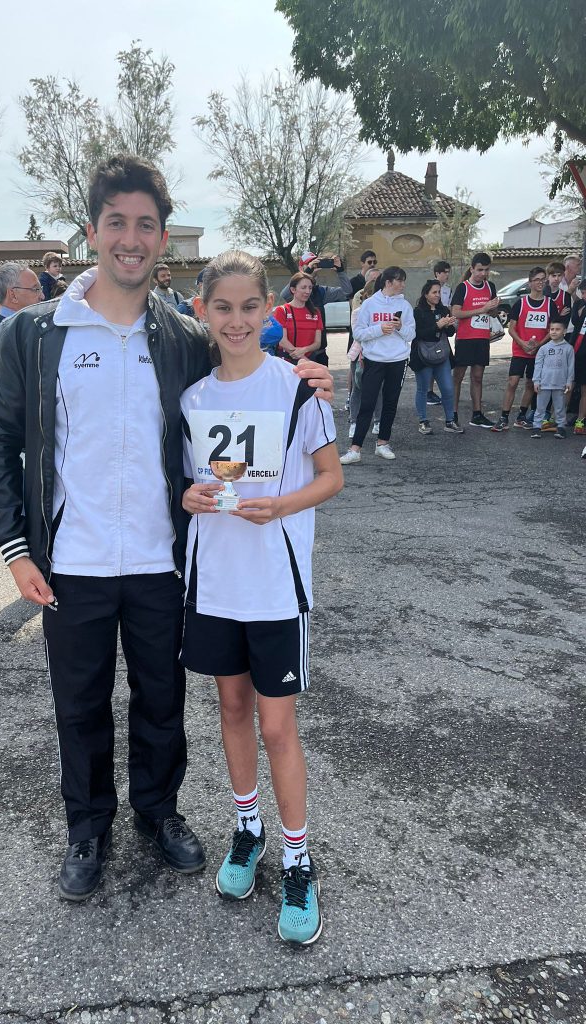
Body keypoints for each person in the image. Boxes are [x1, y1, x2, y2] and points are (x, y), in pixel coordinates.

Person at [0, 153, 334, 904]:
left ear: (163, 238)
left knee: (161, 698)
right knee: (78, 703)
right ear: (91, 232)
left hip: (160, 559)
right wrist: (14, 549)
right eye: (117, 223)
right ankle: (87, 828)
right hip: (70, 559)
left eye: (146, 225)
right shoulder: (36, 334)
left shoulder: (181, 337)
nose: (131, 239)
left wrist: (309, 375)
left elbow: (244, 363)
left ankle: (158, 811)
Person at [179, 250, 343, 946]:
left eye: (250, 306)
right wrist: (189, 497)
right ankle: (248, 830)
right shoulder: (192, 398)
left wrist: (279, 505)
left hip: (276, 586)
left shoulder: (298, 388)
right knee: (232, 709)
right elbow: (191, 484)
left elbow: (331, 477)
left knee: (278, 727)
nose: (237, 320)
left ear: (268, 309)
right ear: (202, 312)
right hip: (217, 584)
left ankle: (299, 858)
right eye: (223, 307)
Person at [339, 266, 415, 464]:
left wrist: (400, 327)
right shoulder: (370, 304)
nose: (403, 285)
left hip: (398, 360)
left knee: (390, 403)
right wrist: (379, 329)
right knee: (367, 403)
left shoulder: (405, 305)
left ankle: (383, 444)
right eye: (400, 280)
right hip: (374, 360)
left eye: (404, 281)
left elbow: (411, 335)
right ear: (388, 282)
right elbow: (358, 334)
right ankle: (355, 449)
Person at [491, 267, 557, 432]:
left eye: (543, 279)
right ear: (530, 283)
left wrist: (539, 345)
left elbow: (552, 330)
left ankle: (521, 416)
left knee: (531, 383)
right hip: (520, 350)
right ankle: (504, 417)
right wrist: (523, 343)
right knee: (512, 382)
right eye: (537, 280)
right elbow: (511, 328)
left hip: (538, 351)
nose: (541, 282)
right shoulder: (521, 303)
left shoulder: (550, 304)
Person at [450, 252, 498, 428]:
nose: (483, 273)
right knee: (458, 377)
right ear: (472, 269)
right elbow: (455, 312)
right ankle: (452, 414)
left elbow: (492, 313)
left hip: (482, 338)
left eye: (486, 270)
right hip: (465, 338)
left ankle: (477, 414)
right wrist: (481, 309)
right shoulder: (463, 287)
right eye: (479, 270)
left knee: (478, 377)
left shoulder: (490, 286)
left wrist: (493, 308)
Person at [279, 252, 353, 365]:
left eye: (315, 263)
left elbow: (347, 292)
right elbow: (285, 295)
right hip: (293, 355)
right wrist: (307, 273)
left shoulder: (321, 292)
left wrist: (340, 271)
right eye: (310, 264)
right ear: (301, 268)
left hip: (318, 353)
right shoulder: (291, 295)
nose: (307, 292)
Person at [0, 262, 43, 389]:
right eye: (35, 289)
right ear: (13, 295)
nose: (42, 296)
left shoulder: (15, 328)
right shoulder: (2, 333)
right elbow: (9, 391)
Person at [411, 279, 461, 434]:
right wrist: (438, 325)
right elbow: (418, 334)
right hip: (423, 354)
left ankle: (450, 421)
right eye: (434, 292)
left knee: (448, 388)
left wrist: (450, 325)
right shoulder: (418, 311)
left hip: (442, 354)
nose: (438, 295)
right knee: (423, 389)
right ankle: (423, 421)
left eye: (439, 292)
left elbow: (450, 333)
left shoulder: (443, 309)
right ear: (426, 294)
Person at [347, 272, 383, 438]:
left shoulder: (382, 312)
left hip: (378, 354)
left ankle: (377, 422)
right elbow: (358, 334)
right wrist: (377, 330)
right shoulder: (358, 312)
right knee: (357, 389)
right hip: (359, 354)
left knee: (378, 389)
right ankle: (354, 422)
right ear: (367, 295)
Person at [530, 320, 574, 439]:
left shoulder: (568, 348)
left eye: (557, 329)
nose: (554, 332)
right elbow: (538, 365)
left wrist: (569, 381)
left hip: (560, 383)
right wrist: (536, 381)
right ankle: (536, 427)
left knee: (560, 407)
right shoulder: (543, 348)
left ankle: (561, 427)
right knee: (540, 407)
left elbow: (570, 366)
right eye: (552, 329)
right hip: (544, 383)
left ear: (564, 331)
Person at [273, 272, 323, 360]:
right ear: (293, 290)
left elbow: (317, 343)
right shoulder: (282, 310)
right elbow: (282, 341)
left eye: (310, 288)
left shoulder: (315, 312)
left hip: (309, 359)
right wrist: (304, 360)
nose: (307, 291)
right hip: (288, 361)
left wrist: (305, 350)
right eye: (303, 287)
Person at [425, 260, 453, 406]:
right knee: (431, 359)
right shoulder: (429, 286)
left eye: (449, 272)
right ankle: (428, 391)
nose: (447, 275)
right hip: (433, 326)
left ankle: (443, 391)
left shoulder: (448, 289)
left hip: (444, 326)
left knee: (443, 358)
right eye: (445, 272)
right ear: (437, 273)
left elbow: (449, 306)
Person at [570, 279, 586, 434]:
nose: (584, 296)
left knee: (584, 388)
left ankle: (580, 422)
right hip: (576, 348)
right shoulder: (578, 304)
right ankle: (557, 418)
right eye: (583, 293)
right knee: (569, 384)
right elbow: (575, 321)